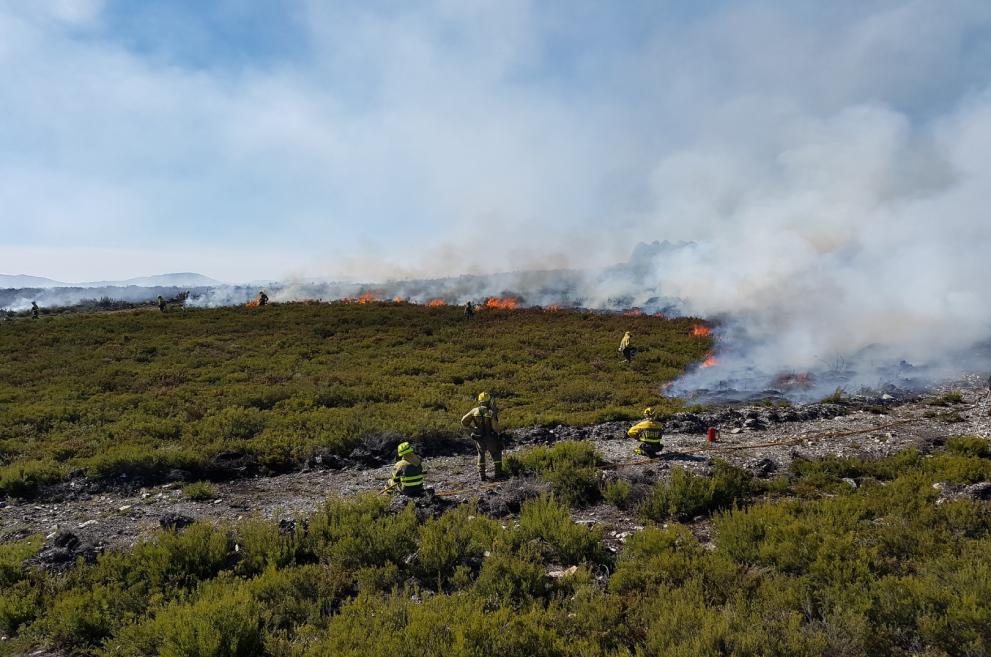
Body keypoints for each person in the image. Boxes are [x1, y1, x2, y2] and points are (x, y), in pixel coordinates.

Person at [462, 392, 503, 481]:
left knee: (481, 454)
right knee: (496, 454)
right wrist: (499, 435)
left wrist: (473, 429)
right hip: (491, 438)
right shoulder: (491, 412)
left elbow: (463, 421)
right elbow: (495, 427)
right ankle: (498, 474)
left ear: (479, 401)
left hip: (479, 437)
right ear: (488, 401)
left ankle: (482, 475)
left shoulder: (474, 411)